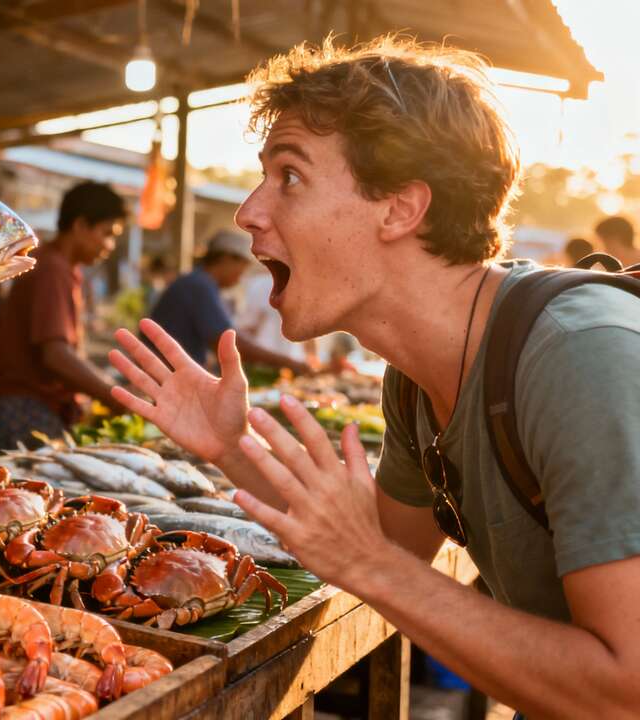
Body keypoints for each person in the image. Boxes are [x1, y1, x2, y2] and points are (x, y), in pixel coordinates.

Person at [109, 36, 640, 718]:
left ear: (400, 208)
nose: (249, 213)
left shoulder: (578, 357)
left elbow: (626, 691)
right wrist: (231, 449)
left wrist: (371, 565)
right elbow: (393, 546)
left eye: (290, 176)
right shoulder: (416, 381)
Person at [0, 181, 126, 454]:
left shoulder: (60, 267)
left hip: (24, 406)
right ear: (80, 225)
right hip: (24, 412)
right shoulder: (52, 269)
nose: (109, 245)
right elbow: (55, 355)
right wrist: (116, 396)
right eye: (107, 233)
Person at [148, 228, 311, 375]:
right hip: (164, 377)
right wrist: (288, 363)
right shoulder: (199, 285)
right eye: (242, 267)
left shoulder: (199, 283)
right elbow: (230, 345)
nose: (241, 276)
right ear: (226, 258)